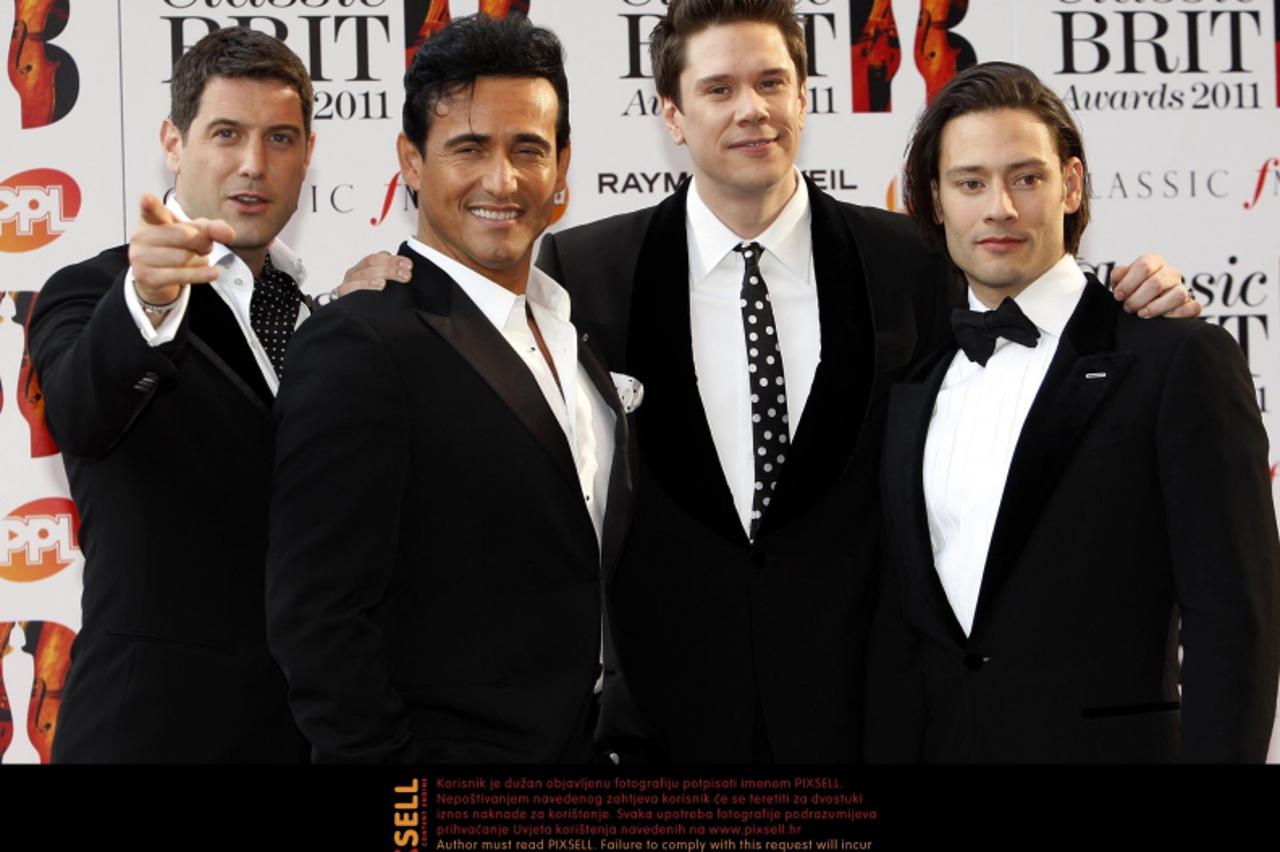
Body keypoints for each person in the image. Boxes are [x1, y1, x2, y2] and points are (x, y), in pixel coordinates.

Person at [536, 0, 1196, 763]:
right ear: (672, 115)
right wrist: (388, 289)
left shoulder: (914, 263)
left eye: (772, 82)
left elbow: (1035, 339)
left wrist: (1137, 300)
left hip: (871, 717)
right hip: (665, 728)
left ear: (805, 96)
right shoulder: (583, 272)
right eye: (719, 89)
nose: (752, 110)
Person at [866, 61, 1280, 762]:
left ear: (1073, 185)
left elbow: (1234, 622)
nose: (999, 206)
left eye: (1026, 177)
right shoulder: (910, 381)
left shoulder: (1173, 358)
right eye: (970, 182)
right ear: (934, 202)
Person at [27, 27, 403, 762]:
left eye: (281, 138)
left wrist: (360, 331)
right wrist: (149, 299)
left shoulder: (323, 319)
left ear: (308, 153)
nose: (254, 165)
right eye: (226, 133)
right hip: (152, 735)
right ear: (174, 140)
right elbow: (80, 410)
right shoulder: (96, 294)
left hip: (312, 738)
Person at [265, 13, 632, 763]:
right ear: (410, 160)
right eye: (469, 148)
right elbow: (318, 620)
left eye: (528, 149)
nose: (501, 179)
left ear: (562, 165)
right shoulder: (359, 343)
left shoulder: (573, 328)